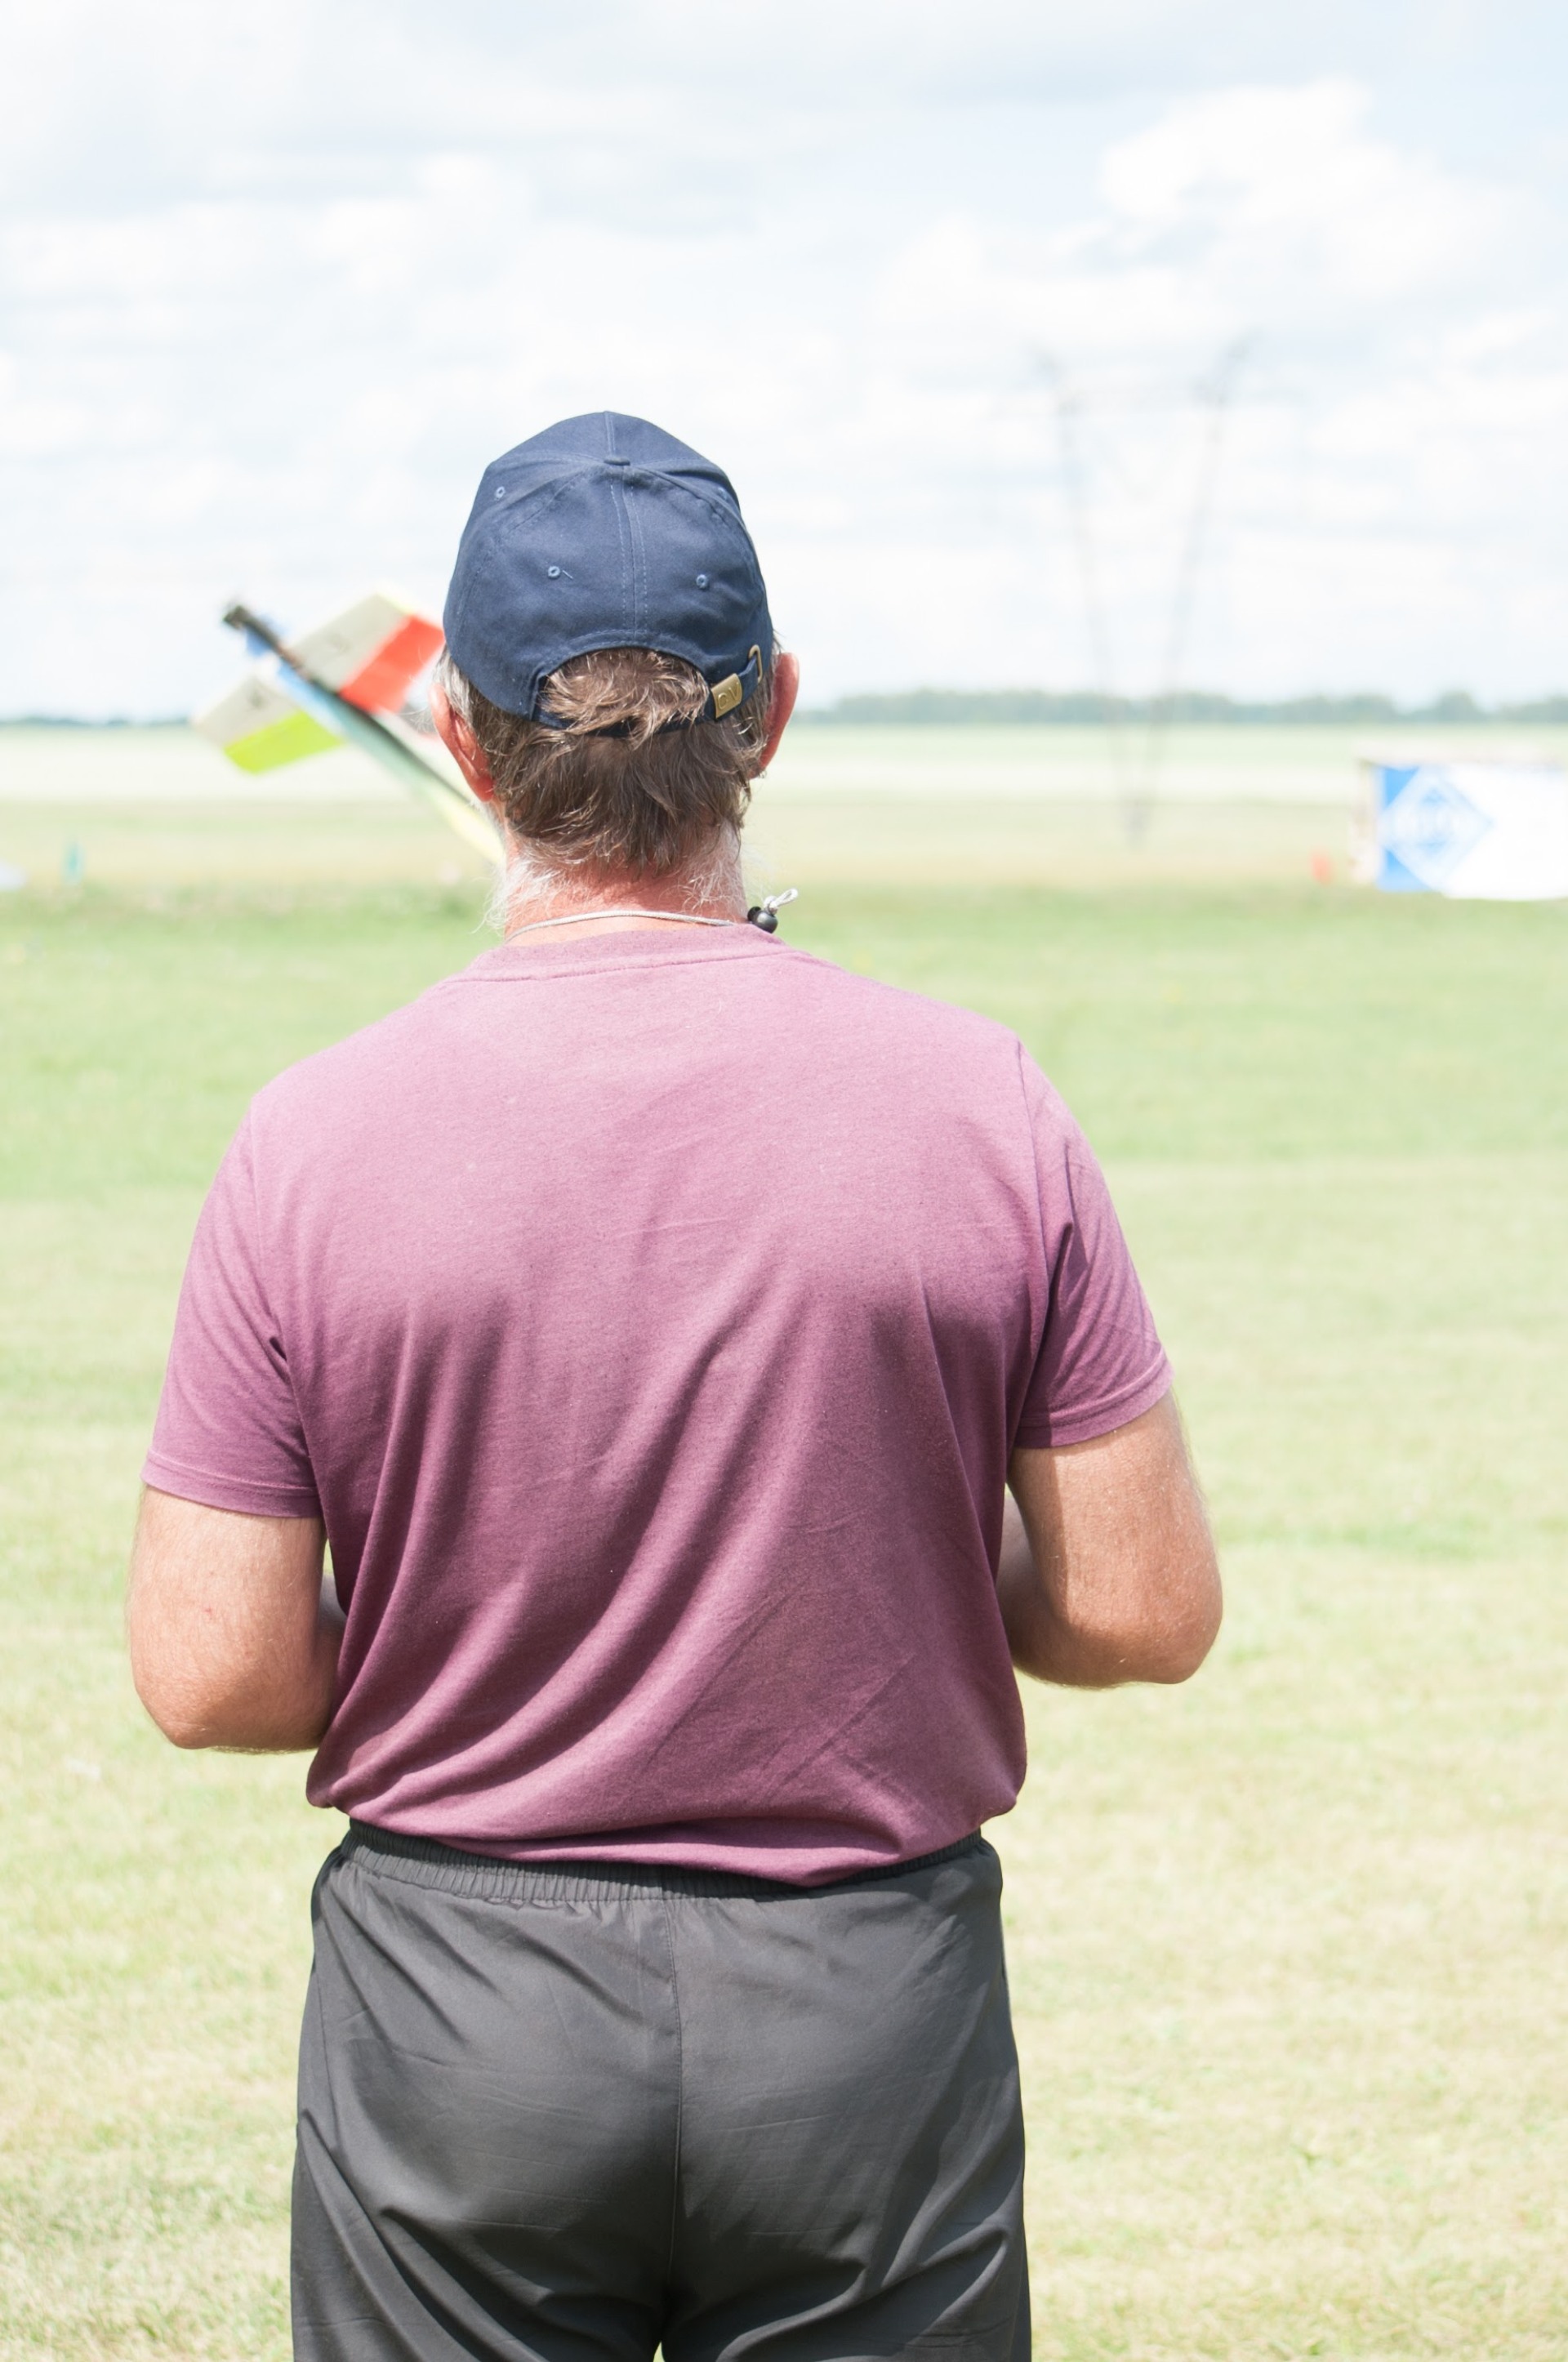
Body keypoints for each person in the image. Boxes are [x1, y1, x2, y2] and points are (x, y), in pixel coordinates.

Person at [128, 411, 1221, 2362]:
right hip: (867, 2007)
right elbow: (1142, 1609)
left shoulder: (308, 1137)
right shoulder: (986, 1104)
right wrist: (879, 1570)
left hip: (458, 2008)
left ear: (464, 741)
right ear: (770, 714)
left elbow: (212, 1674)